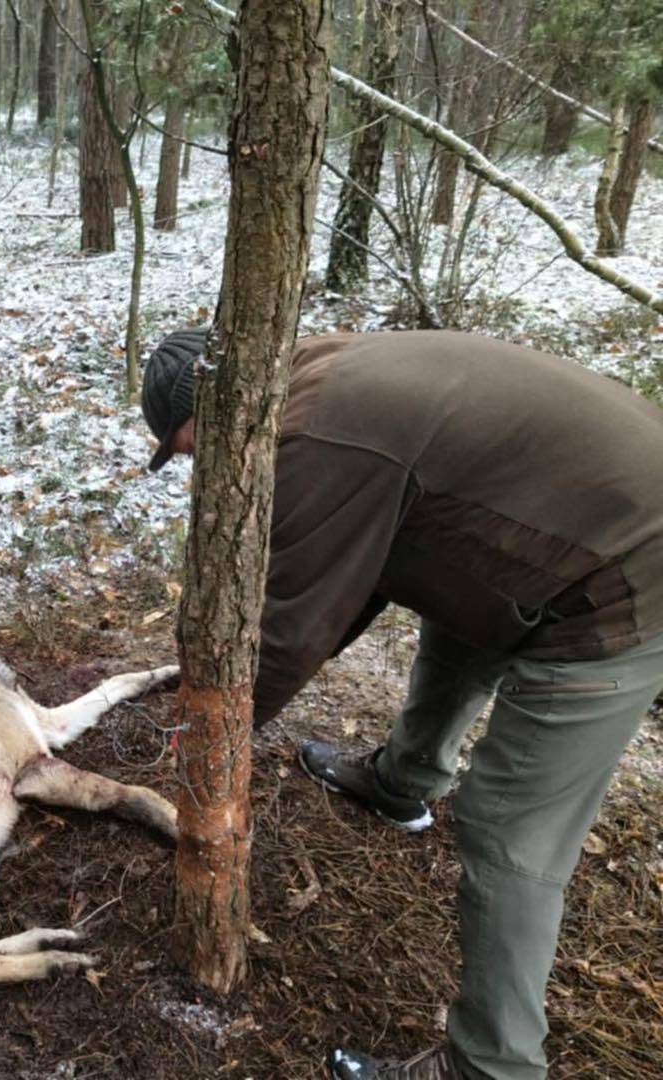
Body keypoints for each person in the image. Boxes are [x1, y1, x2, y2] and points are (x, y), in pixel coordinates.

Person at [141, 328, 663, 1080]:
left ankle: (489, 1063)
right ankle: (403, 781)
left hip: (623, 579)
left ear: (217, 410)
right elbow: (351, 573)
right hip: (557, 528)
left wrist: (206, 747)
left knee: (510, 830)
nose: (200, 470)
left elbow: (286, 630)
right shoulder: (319, 375)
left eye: (192, 449)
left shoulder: (320, 438)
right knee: (454, 598)